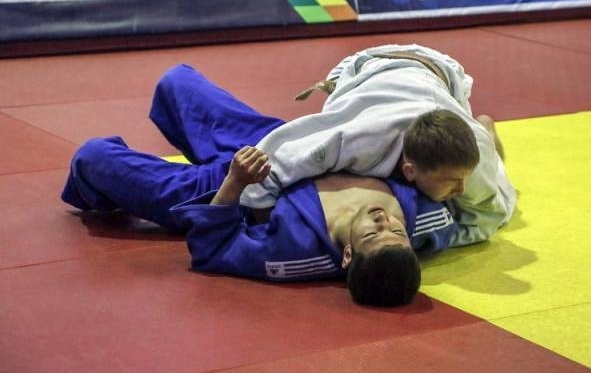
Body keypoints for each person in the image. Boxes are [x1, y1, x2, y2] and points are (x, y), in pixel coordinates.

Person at [61, 64, 458, 307]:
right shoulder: (429, 220)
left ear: (348, 255)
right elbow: (460, 187)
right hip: (285, 145)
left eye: (374, 234)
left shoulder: (295, 256)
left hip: (231, 184)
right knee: (176, 82)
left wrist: (235, 181)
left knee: (93, 158)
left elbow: (214, 247)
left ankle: (102, 186)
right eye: (396, 232)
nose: (384, 220)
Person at [239, 44, 517, 246]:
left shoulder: (472, 153)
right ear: (409, 170)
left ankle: (488, 132)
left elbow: (488, 220)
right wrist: (271, 229)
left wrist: (434, 238)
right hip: (366, 70)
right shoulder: (351, 139)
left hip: (439, 76)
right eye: (450, 181)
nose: (461, 189)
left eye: (461, 179)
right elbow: (270, 163)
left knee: (488, 184)